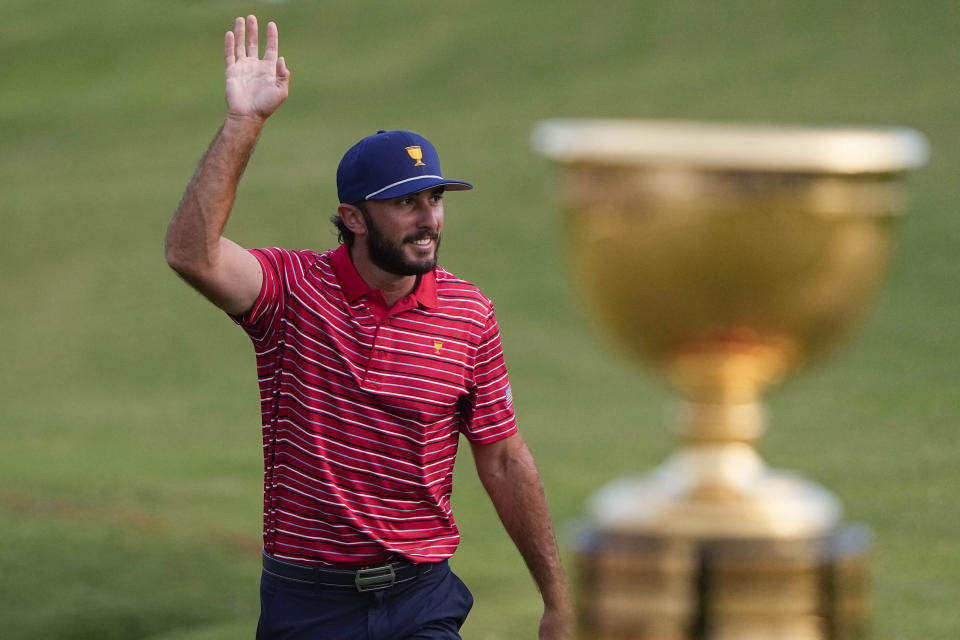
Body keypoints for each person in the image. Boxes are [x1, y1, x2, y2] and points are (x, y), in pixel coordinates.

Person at [165, 15, 574, 640]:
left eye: (434, 199)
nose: (427, 218)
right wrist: (244, 123)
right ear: (353, 218)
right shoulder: (291, 291)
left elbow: (503, 459)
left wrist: (557, 598)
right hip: (309, 604)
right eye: (404, 203)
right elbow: (192, 252)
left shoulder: (469, 312)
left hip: (421, 599)